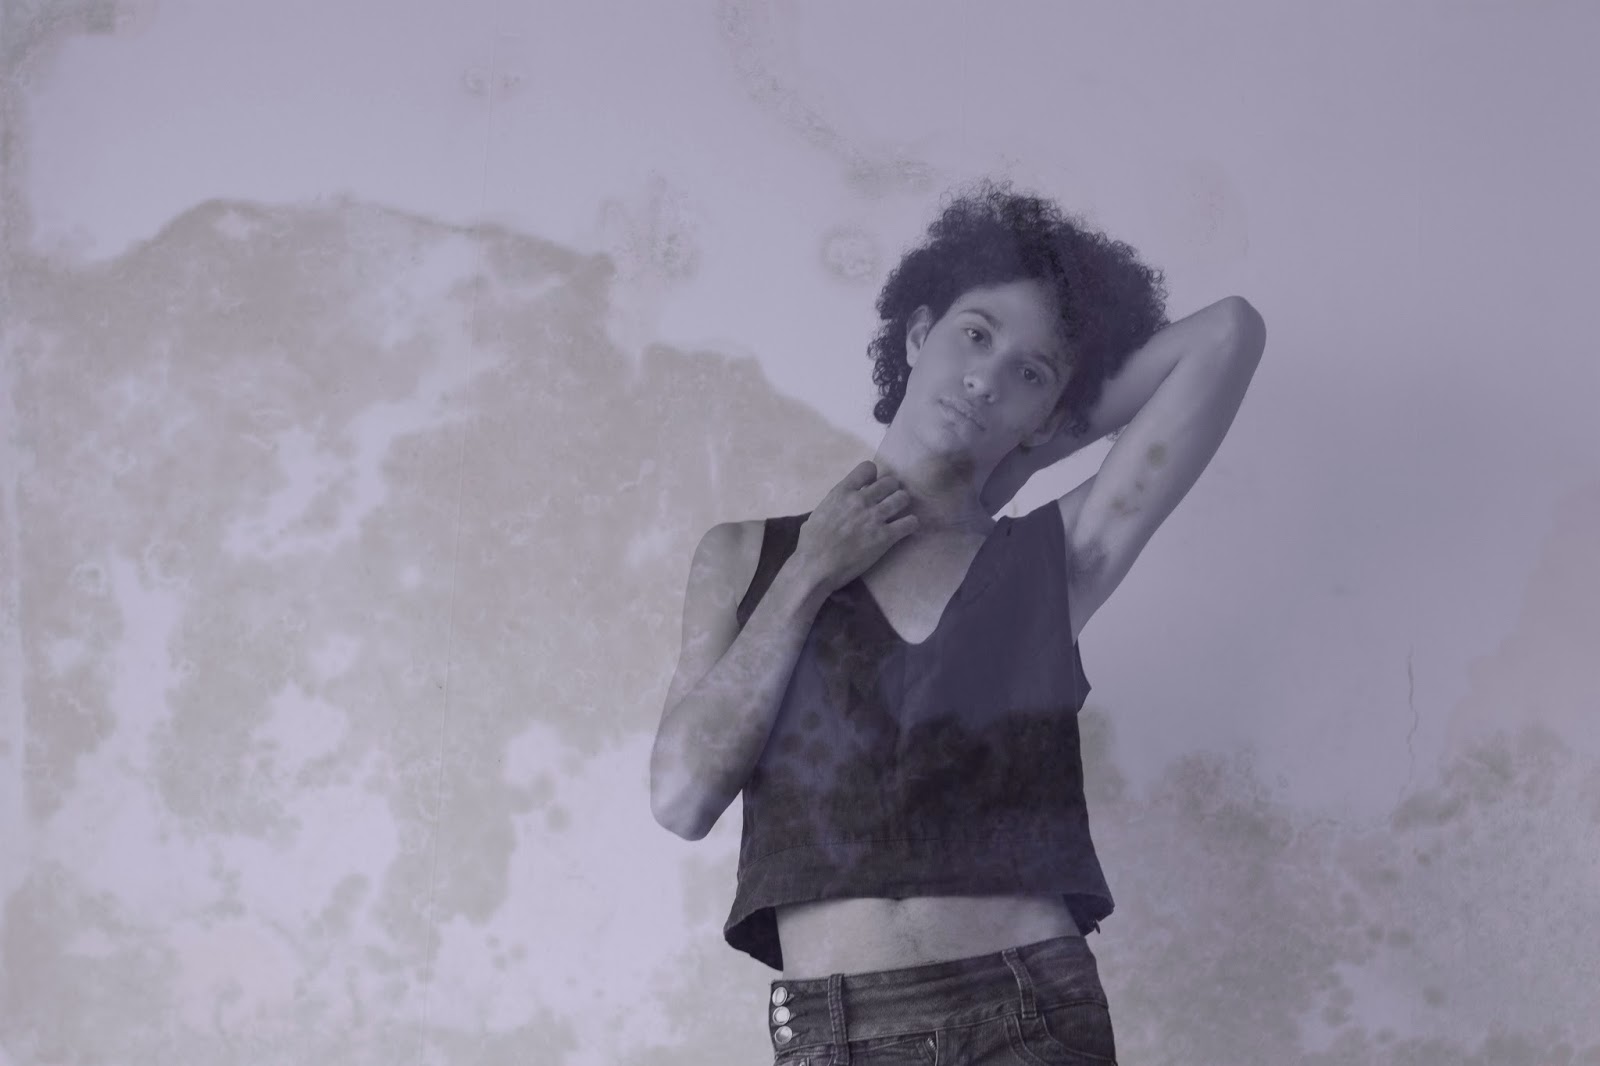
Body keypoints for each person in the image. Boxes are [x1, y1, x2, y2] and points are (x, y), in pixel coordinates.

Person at [649, 178, 1266, 1065]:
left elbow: (1227, 333)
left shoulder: (1052, 560)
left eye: (1029, 372)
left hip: (1031, 1017)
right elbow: (681, 799)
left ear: (1051, 411)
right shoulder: (744, 555)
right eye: (976, 335)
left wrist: (1013, 459)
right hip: (834, 1032)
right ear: (916, 334)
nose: (985, 378)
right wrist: (810, 572)